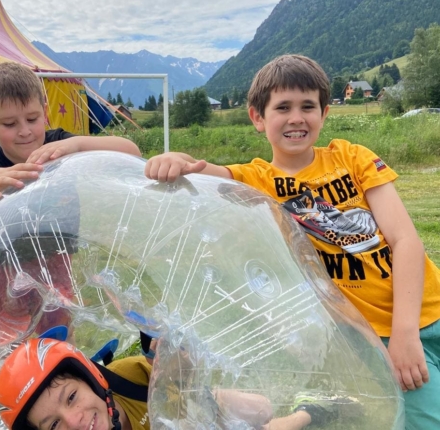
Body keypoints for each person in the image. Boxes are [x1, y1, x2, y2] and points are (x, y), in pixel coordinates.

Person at [145, 54, 440, 429]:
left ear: (324, 112)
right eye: (282, 107)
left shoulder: (352, 157)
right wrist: (173, 159)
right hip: (373, 336)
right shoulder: (255, 179)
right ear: (257, 117)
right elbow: (199, 173)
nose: (296, 117)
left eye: (307, 106)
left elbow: (405, 240)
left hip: (423, 307)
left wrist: (406, 331)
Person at [0, 62, 141, 341]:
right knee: (5, 334)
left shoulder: (61, 145)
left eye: (32, 119)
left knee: (59, 327)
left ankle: (62, 375)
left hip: (54, 257)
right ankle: (12, 377)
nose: (24, 131)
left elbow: (131, 152)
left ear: (45, 111)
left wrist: (77, 145)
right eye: (9, 124)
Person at [0, 337, 361, 430]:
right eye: (54, 425)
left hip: (187, 405)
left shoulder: (129, 375)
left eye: (71, 397)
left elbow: (184, 383)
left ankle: (304, 410)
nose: (74, 421)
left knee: (262, 409)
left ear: (94, 380)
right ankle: (308, 412)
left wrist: (180, 360)